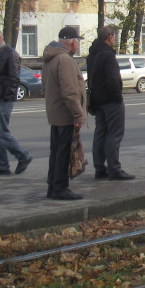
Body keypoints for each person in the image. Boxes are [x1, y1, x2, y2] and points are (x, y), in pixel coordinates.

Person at [42, 26, 87, 200]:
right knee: (63, 152)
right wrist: (78, 114)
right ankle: (60, 187)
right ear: (72, 42)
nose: (78, 45)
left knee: (56, 151)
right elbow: (69, 92)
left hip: (55, 112)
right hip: (65, 114)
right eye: (77, 42)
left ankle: (52, 186)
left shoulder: (50, 58)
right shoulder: (65, 60)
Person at [85, 25, 135, 181]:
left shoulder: (92, 54)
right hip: (111, 100)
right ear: (110, 37)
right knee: (114, 134)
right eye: (114, 37)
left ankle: (99, 168)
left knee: (100, 132)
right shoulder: (108, 55)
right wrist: (118, 97)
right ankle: (115, 169)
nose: (115, 39)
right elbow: (113, 80)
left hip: (97, 100)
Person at [0, 28, 32, 176]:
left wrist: (7, 96)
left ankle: (23, 156)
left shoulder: (10, 54)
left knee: (1, 132)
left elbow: (14, 78)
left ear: (0, 37)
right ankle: (2, 165)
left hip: (3, 98)